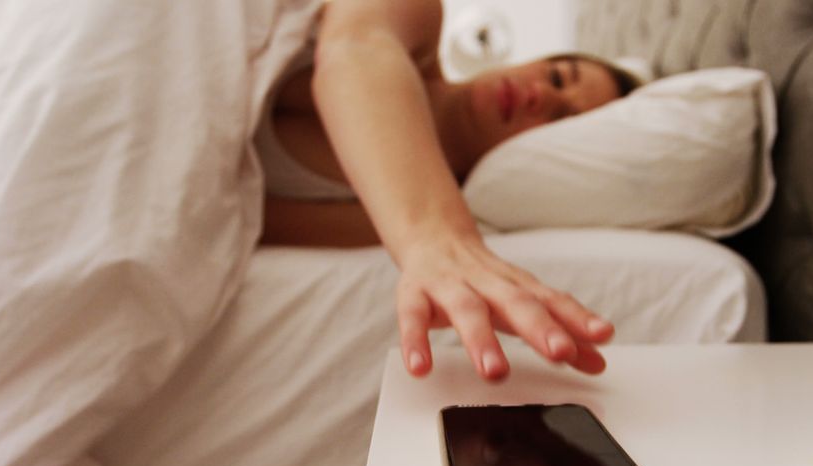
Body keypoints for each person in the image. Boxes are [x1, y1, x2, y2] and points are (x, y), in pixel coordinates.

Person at [262, 0, 641, 382]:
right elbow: (355, 47)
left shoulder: (370, 218)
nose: (540, 94)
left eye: (559, 121)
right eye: (557, 77)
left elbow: (252, 219)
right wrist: (436, 236)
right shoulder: (421, 15)